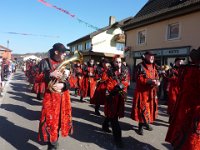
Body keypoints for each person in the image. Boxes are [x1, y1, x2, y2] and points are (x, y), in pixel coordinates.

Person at [38, 43, 73, 150]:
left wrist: (63, 84)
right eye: (63, 52)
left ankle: (54, 141)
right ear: (56, 52)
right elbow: (36, 77)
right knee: (51, 123)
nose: (65, 54)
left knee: (59, 123)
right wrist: (50, 74)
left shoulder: (66, 64)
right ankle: (52, 145)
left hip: (64, 98)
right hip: (51, 99)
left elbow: (72, 80)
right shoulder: (45, 62)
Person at [165, 48, 200, 150]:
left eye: (181, 60)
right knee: (189, 139)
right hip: (180, 98)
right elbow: (169, 78)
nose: (180, 62)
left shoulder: (186, 69)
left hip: (183, 102)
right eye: (178, 60)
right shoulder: (186, 70)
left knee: (182, 136)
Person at [102, 55, 129, 148]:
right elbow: (105, 82)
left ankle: (105, 125)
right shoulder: (109, 71)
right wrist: (113, 89)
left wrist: (122, 86)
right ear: (113, 62)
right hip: (111, 96)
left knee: (113, 114)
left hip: (120, 97)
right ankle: (118, 138)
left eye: (120, 62)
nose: (118, 63)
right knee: (114, 118)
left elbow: (127, 81)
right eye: (116, 62)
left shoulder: (125, 70)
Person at [131, 51, 160, 135]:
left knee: (150, 109)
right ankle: (140, 127)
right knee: (142, 109)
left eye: (153, 56)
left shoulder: (154, 66)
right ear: (146, 56)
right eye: (150, 56)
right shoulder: (140, 66)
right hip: (142, 93)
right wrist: (151, 81)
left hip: (151, 92)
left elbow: (157, 76)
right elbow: (139, 79)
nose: (152, 57)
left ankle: (146, 123)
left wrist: (157, 81)